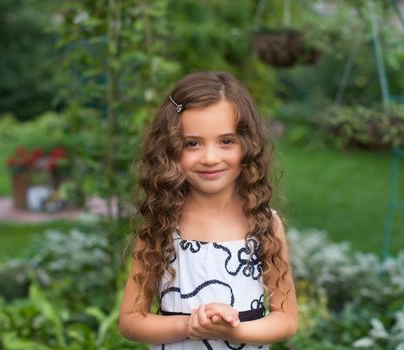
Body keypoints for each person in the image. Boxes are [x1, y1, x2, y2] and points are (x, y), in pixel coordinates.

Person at [118, 71, 298, 349]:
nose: (210, 158)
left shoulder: (263, 224)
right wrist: (188, 325)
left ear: (248, 145)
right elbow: (130, 320)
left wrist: (233, 332)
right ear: (170, 150)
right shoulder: (162, 225)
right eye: (192, 143)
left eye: (226, 141)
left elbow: (286, 320)